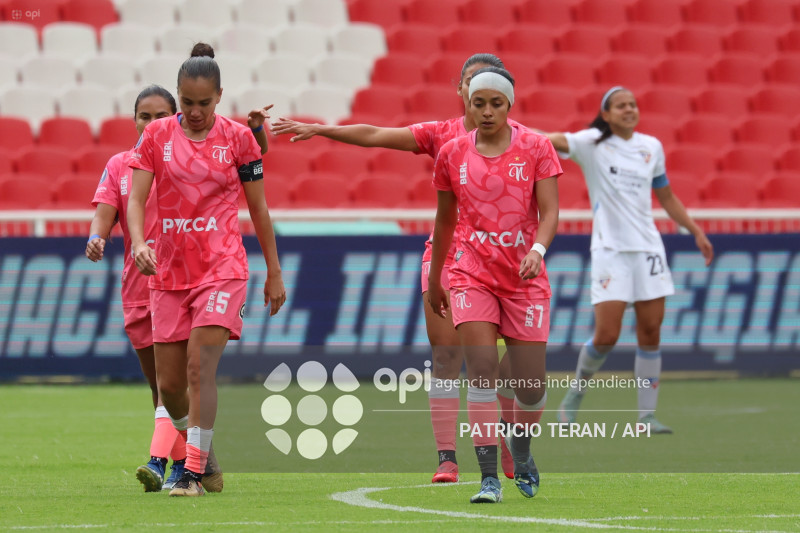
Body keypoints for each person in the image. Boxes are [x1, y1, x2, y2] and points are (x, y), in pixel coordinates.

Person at [271, 53, 519, 484]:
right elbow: (374, 134)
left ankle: (509, 442)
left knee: (496, 363)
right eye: (470, 83)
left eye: (487, 86)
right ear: (460, 90)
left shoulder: (522, 143)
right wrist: (321, 129)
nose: (477, 94)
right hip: (448, 258)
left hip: (501, 261)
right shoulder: (442, 135)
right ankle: (447, 458)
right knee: (446, 356)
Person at [87, 84, 272, 492]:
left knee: (196, 369)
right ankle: (197, 452)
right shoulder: (125, 162)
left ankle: (176, 466)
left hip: (211, 271)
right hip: (151, 284)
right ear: (134, 119)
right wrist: (108, 239)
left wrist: (258, 134)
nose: (151, 122)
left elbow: (247, 163)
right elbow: (111, 211)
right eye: (143, 115)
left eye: (159, 115)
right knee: (165, 388)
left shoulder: (203, 144)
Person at [127, 43, 286, 497]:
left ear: (219, 97)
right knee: (171, 387)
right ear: (178, 96)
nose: (195, 112)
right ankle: (205, 454)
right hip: (168, 272)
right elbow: (136, 199)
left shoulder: (238, 139)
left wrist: (273, 271)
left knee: (200, 367)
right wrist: (139, 242)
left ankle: (191, 473)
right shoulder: (156, 136)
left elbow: (258, 208)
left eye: (204, 103)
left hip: (222, 268)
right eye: (188, 102)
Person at [544, 86, 714, 434]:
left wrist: (694, 230)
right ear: (605, 114)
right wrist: (506, 128)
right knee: (607, 334)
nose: (628, 110)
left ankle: (646, 416)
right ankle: (574, 394)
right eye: (620, 106)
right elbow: (552, 140)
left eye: (632, 105)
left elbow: (665, 195)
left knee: (650, 331)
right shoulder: (591, 143)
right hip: (610, 251)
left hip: (648, 250)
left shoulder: (651, 147)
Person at [428, 66, 561, 503]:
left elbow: (549, 212)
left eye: (495, 103)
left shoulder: (537, 148)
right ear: (467, 103)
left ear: (510, 105)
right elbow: (445, 220)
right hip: (471, 273)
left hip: (523, 276)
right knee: (481, 370)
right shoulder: (451, 152)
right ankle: (489, 478)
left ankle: (520, 447)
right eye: (478, 102)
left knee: (531, 386)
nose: (486, 111)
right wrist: (436, 277)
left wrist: (537, 251)